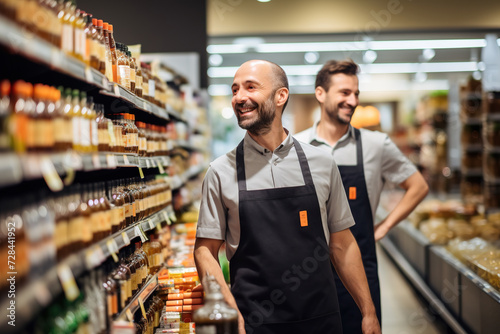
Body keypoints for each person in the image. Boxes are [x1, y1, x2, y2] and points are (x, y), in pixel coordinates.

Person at [194, 59, 381, 334]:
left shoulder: (322, 163)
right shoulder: (220, 172)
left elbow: (342, 243)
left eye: (250, 87)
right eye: (235, 90)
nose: (239, 98)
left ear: (281, 96)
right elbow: (205, 250)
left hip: (321, 321)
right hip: (254, 323)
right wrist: (228, 308)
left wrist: (368, 311)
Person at [295, 59, 429, 333]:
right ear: (320, 93)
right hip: (307, 273)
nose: (352, 100)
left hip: (360, 271)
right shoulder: (297, 147)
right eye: (344, 92)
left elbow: (418, 186)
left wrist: (385, 226)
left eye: (356, 93)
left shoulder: (376, 145)